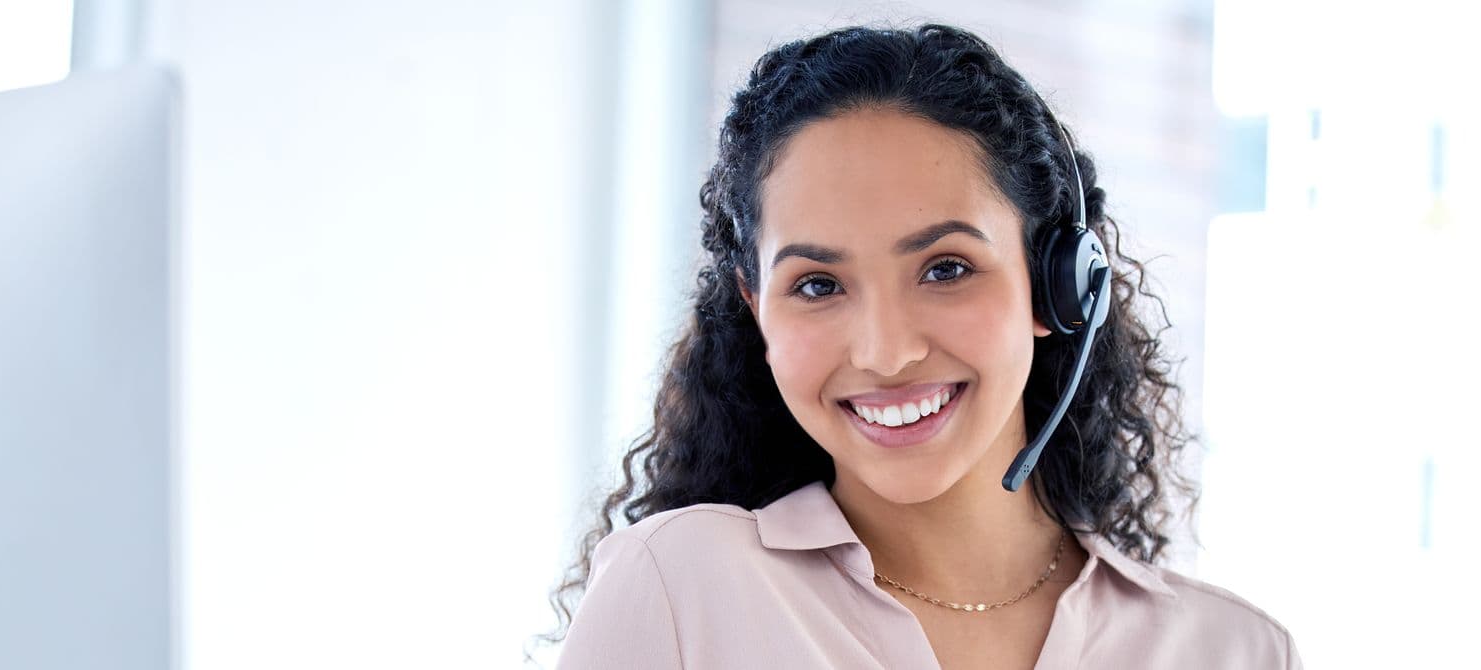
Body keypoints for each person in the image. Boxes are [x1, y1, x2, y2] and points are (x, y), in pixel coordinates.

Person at [546, 23, 1301, 670]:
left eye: (946, 269)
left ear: (1056, 285)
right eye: (817, 285)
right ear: (756, 311)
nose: (886, 351)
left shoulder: (1229, 650)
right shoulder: (682, 588)